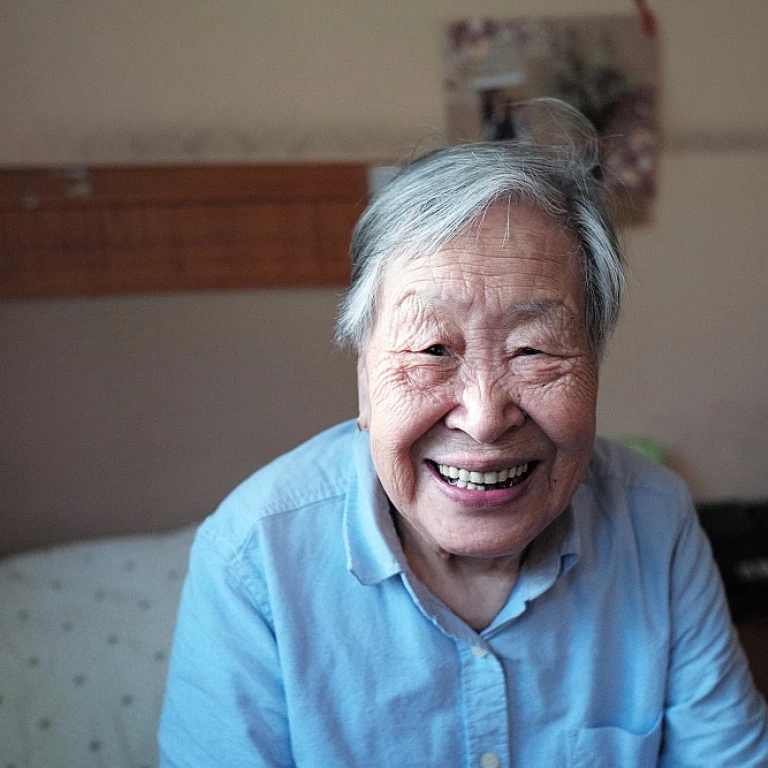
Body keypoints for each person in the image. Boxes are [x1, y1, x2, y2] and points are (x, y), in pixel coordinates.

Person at [158, 102, 768, 766]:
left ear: (594, 364)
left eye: (534, 351)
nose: (483, 417)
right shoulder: (254, 559)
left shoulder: (655, 521)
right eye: (430, 349)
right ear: (365, 378)